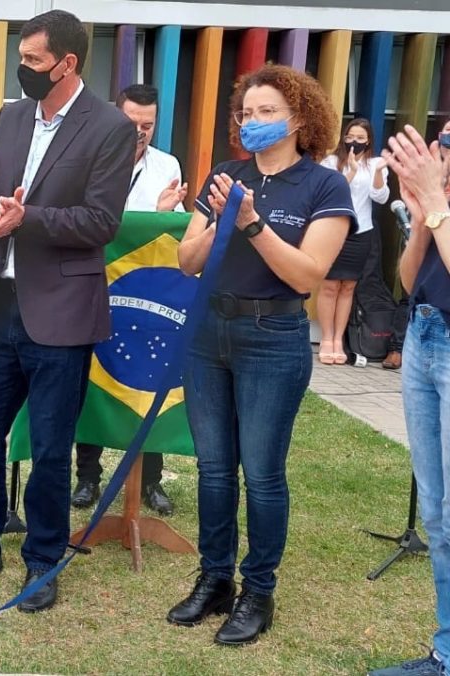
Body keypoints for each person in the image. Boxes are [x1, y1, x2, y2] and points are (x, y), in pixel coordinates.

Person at [0, 9, 135, 613]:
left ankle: (42, 561)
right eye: (22, 58)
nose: (23, 70)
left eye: (34, 61)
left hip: (62, 311)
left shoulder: (110, 128)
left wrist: (26, 218)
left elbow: (100, 221)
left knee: (51, 448)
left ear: (68, 63)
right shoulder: (11, 118)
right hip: (1, 307)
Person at [168, 64, 353, 645]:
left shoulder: (325, 187)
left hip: (272, 338)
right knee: (214, 467)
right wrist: (216, 221)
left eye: (267, 111)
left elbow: (308, 275)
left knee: (262, 473)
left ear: (299, 118)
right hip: (209, 334)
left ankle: (259, 590)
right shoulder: (225, 175)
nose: (254, 122)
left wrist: (251, 224)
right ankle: (214, 578)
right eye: (247, 113)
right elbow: (187, 261)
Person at [72, 83, 187, 516]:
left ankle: (150, 481)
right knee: (94, 378)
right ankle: (87, 476)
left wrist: (163, 211)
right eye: (131, 122)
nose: (139, 132)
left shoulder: (167, 166)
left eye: (147, 125)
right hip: (92, 287)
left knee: (146, 380)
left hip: (142, 297)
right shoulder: (89, 159)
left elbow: (169, 236)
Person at [369, 120, 450, 676]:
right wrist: (421, 222)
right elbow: (407, 277)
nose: (441, 148)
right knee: (437, 515)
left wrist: (437, 202)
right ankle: (445, 652)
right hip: (424, 335)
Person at [317, 118, 389, 364]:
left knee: (348, 287)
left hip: (362, 231)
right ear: (343, 138)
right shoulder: (330, 162)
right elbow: (328, 194)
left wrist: (378, 173)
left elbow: (380, 197)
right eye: (350, 137)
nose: (355, 142)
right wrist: (349, 172)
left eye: (360, 138)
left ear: (368, 140)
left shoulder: (375, 163)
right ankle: (326, 339)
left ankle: (339, 340)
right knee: (329, 286)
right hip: (335, 230)